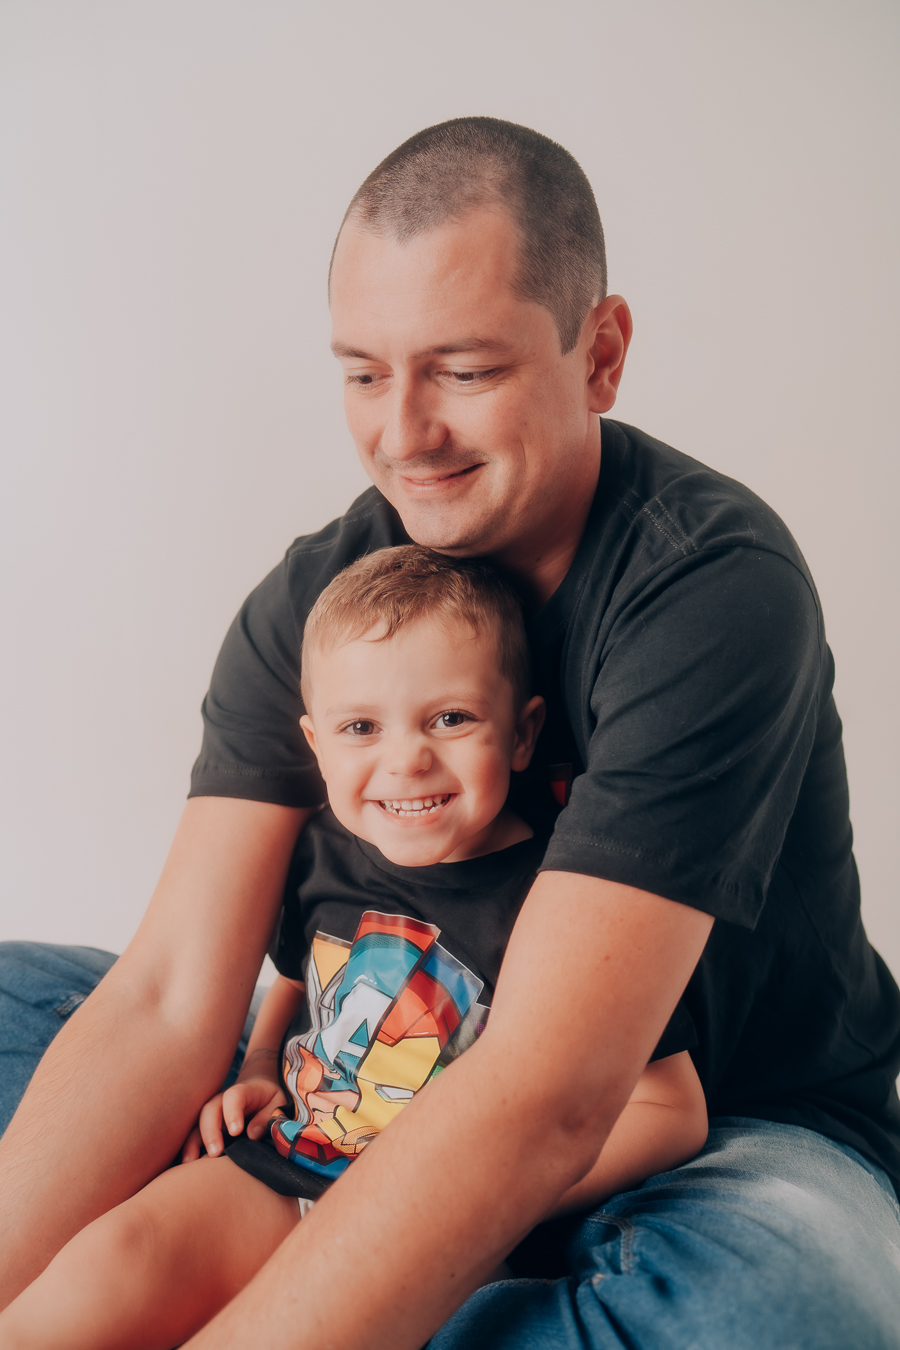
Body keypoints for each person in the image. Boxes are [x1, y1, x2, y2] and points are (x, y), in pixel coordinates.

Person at [1, 116, 899, 1350]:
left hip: (697, 1133)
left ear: (601, 355)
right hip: (369, 1074)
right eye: (364, 374)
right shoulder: (323, 598)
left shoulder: (708, 589)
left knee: (784, 1310)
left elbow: (549, 1095)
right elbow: (165, 997)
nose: (403, 434)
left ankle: (385, 1279)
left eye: (464, 372)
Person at [0, 546, 707, 1348]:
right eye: (361, 728)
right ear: (316, 743)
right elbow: (300, 977)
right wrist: (258, 1067)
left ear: (522, 732)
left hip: (434, 1237)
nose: (405, 759)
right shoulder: (321, 855)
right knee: (112, 1263)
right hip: (283, 1168)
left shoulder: (564, 900)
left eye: (451, 718)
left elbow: (672, 1112)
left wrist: (481, 1191)